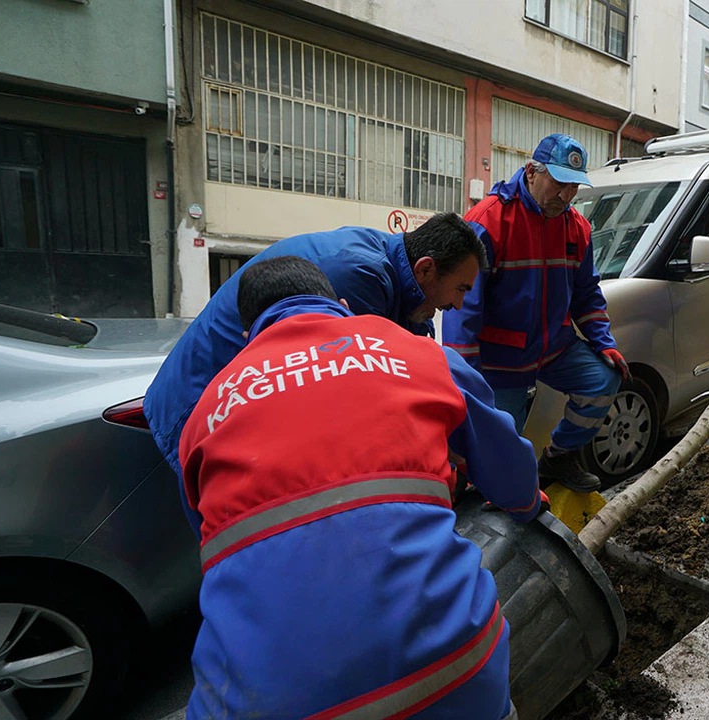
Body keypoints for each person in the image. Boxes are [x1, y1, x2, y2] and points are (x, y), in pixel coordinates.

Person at [179, 256, 544, 720]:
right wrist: (527, 504)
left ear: (248, 334)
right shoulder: (415, 352)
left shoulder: (207, 411)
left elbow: (211, 541)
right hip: (455, 673)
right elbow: (510, 468)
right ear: (342, 306)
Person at [144, 213, 486, 533]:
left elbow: (415, 359)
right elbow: (368, 401)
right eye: (461, 290)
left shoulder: (399, 273)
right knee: (241, 531)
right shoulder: (358, 277)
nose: (458, 306)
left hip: (238, 398)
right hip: (201, 402)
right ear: (426, 269)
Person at [443, 134, 628, 492]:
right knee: (495, 455)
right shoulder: (488, 221)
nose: (566, 196)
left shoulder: (577, 228)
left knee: (604, 380)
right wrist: (464, 377)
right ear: (531, 172)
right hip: (501, 360)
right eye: (559, 184)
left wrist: (603, 343)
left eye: (573, 187)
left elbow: (587, 295)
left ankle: (558, 458)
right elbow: (462, 307)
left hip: (552, 346)